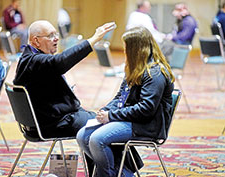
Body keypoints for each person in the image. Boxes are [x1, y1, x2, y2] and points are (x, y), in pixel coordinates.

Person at [13, 20, 115, 175]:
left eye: (56, 34)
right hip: (52, 123)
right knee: (102, 129)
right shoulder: (34, 61)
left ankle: (109, 171)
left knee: (102, 123)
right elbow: (60, 62)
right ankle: (114, 172)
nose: (56, 38)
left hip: (51, 118)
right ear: (36, 41)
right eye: (50, 36)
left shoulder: (30, 59)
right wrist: (93, 39)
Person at [77, 26, 175, 177]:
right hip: (130, 119)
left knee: (97, 139)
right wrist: (106, 110)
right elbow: (120, 97)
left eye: (126, 48)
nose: (124, 51)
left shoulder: (155, 73)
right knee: (82, 135)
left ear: (136, 49)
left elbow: (146, 109)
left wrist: (111, 116)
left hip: (147, 124)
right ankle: (122, 174)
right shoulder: (135, 68)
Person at [105, 0, 165, 77]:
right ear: (143, 7)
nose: (150, 7)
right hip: (141, 42)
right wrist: (161, 37)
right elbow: (150, 31)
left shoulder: (133, 15)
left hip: (134, 41)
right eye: (148, 6)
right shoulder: (143, 17)